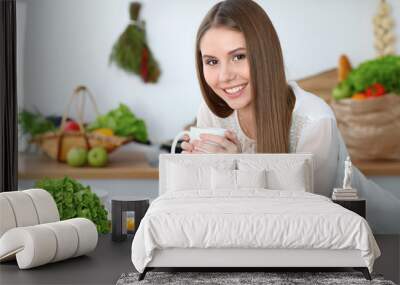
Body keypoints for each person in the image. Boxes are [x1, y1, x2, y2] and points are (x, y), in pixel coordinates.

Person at [181, 0, 400, 233]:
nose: (224, 76)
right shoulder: (211, 112)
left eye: (239, 57)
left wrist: (239, 169)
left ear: (266, 55)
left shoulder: (315, 121)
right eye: (212, 61)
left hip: (382, 234)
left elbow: (302, 222)